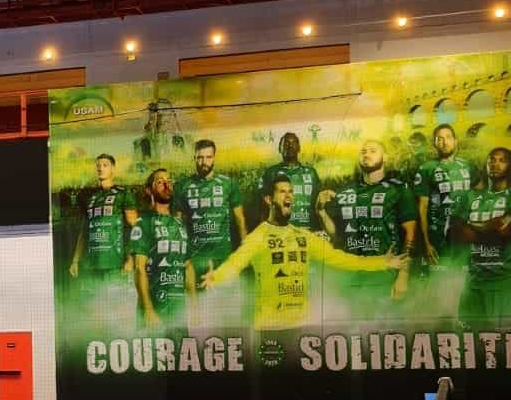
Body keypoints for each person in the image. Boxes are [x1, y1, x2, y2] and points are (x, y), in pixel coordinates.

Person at [204, 176, 407, 330]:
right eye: (282, 192)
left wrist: (381, 262)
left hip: (302, 325)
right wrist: (216, 276)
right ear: (269, 199)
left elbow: (340, 259)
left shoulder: (303, 236)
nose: (289, 196)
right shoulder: (259, 236)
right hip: (270, 327)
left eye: (291, 191)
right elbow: (236, 262)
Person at [316, 138, 415, 308]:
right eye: (363, 151)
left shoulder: (398, 189)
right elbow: (337, 235)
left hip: (384, 276)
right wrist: (321, 212)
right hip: (350, 277)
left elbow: (410, 233)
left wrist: (404, 274)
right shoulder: (345, 192)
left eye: (373, 151)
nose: (367, 154)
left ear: (385, 157)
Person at [448, 147, 511, 322]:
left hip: (507, 281)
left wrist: (469, 226)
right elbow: (454, 232)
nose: (495, 164)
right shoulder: (470, 196)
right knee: (469, 336)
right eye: (491, 160)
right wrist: (489, 229)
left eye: (502, 160)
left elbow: (502, 228)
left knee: (507, 337)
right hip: (474, 282)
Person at [173, 138, 246, 283]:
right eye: (200, 157)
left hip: (223, 254)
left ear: (214, 158)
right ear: (194, 158)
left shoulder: (228, 183)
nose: (204, 162)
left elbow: (240, 220)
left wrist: (244, 253)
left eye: (208, 157)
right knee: (198, 295)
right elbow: (177, 223)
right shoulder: (182, 186)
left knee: (226, 294)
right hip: (196, 256)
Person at [130, 168, 195, 326]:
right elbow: (139, 269)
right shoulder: (143, 223)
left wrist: (194, 306)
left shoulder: (180, 224)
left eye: (169, 181)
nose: (166, 185)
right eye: (160, 182)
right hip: (154, 313)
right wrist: (148, 309)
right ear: (149, 190)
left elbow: (187, 266)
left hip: (178, 314)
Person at [413, 124, 475, 265]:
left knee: (464, 275)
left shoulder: (467, 166)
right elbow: (422, 208)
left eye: (448, 137)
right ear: (434, 143)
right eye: (439, 138)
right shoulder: (427, 168)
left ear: (455, 141)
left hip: (465, 234)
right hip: (437, 237)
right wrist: (426, 243)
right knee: (440, 275)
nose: (444, 142)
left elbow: (481, 195)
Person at [69, 154, 137, 282]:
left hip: (116, 264)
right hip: (91, 264)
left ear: (113, 169)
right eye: (98, 166)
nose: (100, 168)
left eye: (105, 165)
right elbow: (84, 231)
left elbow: (136, 228)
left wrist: (131, 258)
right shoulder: (89, 196)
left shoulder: (123, 193)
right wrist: (75, 260)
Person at [260, 132, 321, 229]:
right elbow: (263, 206)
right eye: (286, 144)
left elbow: (319, 204)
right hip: (281, 230)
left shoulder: (311, 173)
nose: (290, 146)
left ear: (299, 148)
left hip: (308, 229)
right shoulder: (271, 172)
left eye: (293, 143)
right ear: (280, 148)